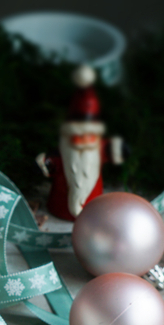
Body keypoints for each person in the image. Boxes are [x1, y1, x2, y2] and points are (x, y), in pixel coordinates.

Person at [36, 64, 124, 221]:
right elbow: (52, 164)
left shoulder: (100, 148)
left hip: (93, 207)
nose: (81, 141)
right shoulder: (63, 151)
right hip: (59, 205)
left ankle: (88, 213)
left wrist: (119, 149)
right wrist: (45, 164)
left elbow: (115, 152)